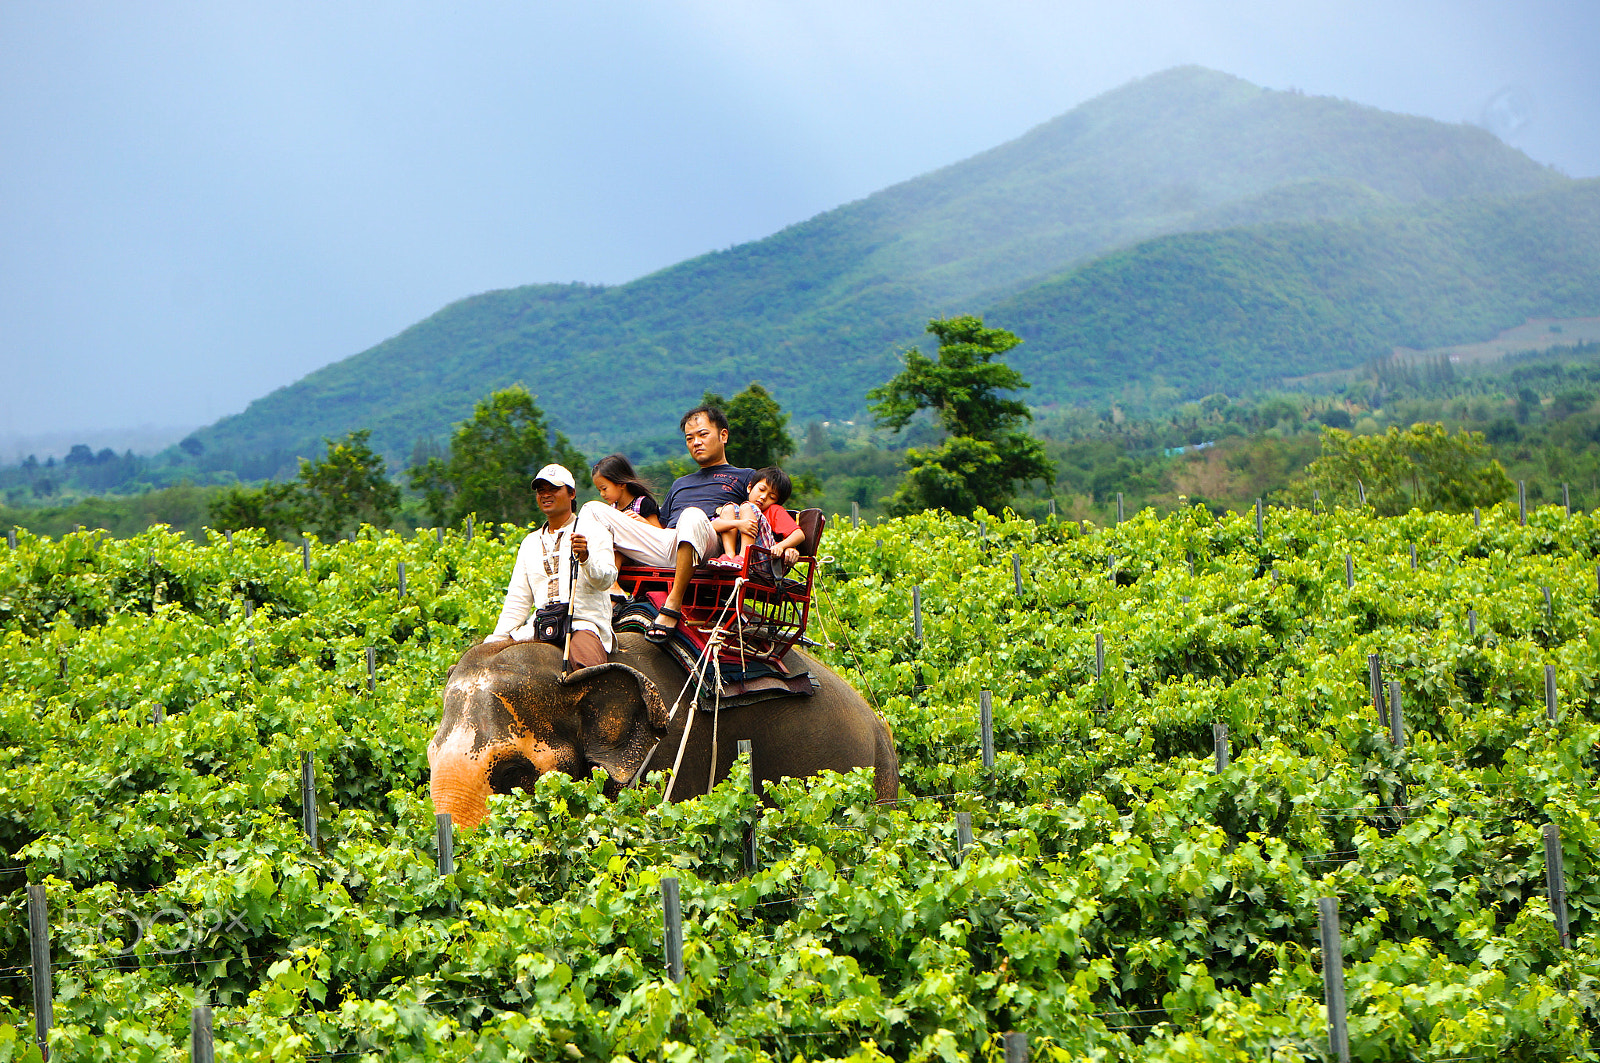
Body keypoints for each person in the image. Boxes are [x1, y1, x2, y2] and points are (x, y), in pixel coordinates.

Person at [579, 405, 755, 641]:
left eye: (703, 435)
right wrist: (640, 523)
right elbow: (662, 529)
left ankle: (673, 604)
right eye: (689, 438)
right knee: (592, 509)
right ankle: (603, 592)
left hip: (709, 544)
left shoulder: (745, 477)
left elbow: (763, 511)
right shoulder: (681, 483)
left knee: (691, 516)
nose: (696, 443)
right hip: (669, 542)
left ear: (723, 435)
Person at [484, 463, 617, 670]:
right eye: (541, 491)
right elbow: (518, 600)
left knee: (589, 672)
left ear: (571, 493)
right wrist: (497, 640)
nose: (546, 495)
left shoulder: (594, 531)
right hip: (540, 625)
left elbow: (606, 580)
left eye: (554, 489)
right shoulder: (530, 542)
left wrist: (586, 558)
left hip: (581, 624)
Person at [712, 466, 805, 575]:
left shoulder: (773, 510)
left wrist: (781, 546)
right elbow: (713, 525)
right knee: (729, 508)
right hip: (737, 562)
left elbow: (799, 534)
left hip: (766, 561)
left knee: (748, 507)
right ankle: (729, 556)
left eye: (772, 497)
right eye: (761, 490)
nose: (763, 497)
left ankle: (743, 557)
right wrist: (739, 524)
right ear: (750, 487)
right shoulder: (739, 510)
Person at [591, 453, 661, 526]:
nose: (602, 494)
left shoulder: (643, 504)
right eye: (599, 490)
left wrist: (643, 522)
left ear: (621, 484)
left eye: (604, 489)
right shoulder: (612, 509)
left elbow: (658, 533)